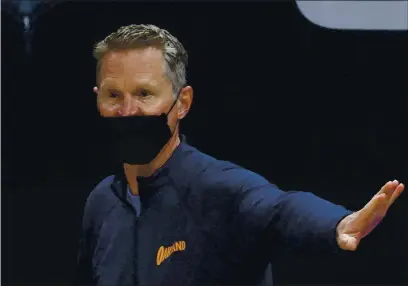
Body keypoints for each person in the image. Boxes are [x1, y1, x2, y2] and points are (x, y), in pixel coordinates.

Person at [74, 24, 404, 286]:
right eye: (113, 95)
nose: (128, 111)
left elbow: (280, 209)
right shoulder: (101, 202)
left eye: (144, 94)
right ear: (96, 99)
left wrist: (337, 224)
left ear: (183, 103)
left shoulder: (220, 189)